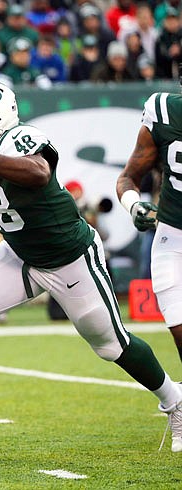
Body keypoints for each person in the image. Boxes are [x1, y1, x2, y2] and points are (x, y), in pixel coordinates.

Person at [0, 80, 182, 452]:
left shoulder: (19, 138)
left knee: (112, 345)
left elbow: (38, 172)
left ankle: (175, 401)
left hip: (69, 257)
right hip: (20, 252)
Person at [117, 91, 182, 368]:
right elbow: (128, 177)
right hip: (173, 236)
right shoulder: (165, 111)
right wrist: (135, 206)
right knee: (177, 321)